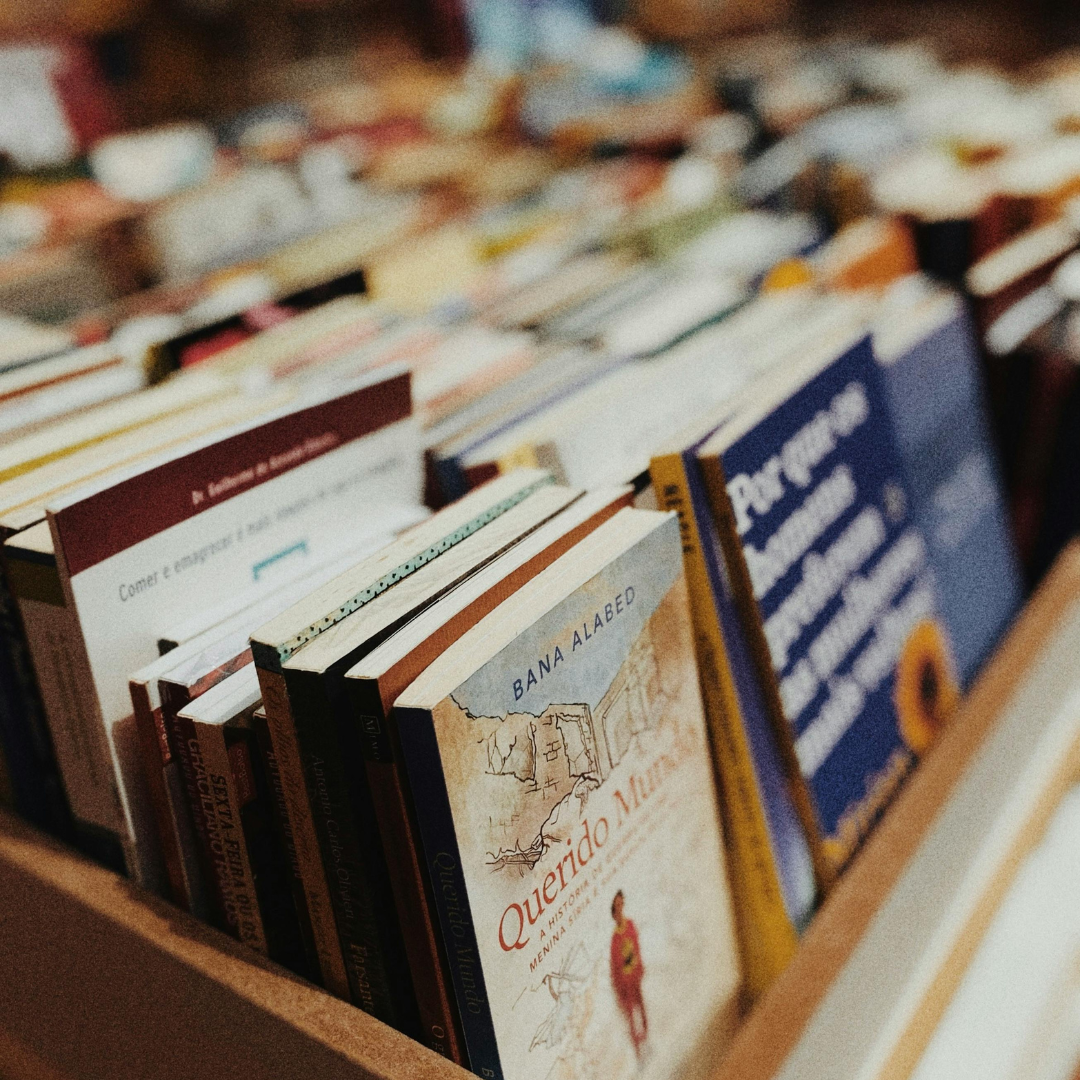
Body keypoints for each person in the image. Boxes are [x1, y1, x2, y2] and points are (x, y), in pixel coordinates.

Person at [609, 889, 647, 1054]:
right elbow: (616, 965)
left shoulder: (630, 924)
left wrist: (639, 966)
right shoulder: (615, 938)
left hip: (635, 974)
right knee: (631, 1013)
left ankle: (646, 1037)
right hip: (625, 981)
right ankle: (637, 1048)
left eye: (621, 903)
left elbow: (636, 947)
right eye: (617, 906)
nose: (620, 908)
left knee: (642, 1006)